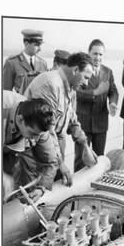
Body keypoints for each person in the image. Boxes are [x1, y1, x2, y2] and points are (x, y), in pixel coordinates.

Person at [23, 52, 97, 183]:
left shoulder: (71, 87)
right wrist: (60, 163)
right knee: (37, 195)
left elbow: (72, 120)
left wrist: (85, 145)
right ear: (75, 70)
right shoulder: (50, 84)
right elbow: (46, 130)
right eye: (85, 77)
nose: (86, 83)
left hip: (53, 152)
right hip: (36, 152)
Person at [2, 92, 58, 202]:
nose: (34, 141)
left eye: (38, 135)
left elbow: (51, 161)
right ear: (20, 120)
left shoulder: (39, 123)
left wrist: (41, 188)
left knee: (8, 187)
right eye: (32, 134)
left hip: (10, 148)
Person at [75, 39, 119, 170]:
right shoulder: (80, 70)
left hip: (101, 122)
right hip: (83, 122)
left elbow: (113, 91)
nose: (97, 57)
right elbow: (77, 93)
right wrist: (96, 92)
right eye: (95, 54)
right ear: (88, 54)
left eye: (100, 54)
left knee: (99, 158)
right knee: (80, 159)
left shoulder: (108, 72)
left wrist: (112, 103)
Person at [3, 29, 49, 94]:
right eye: (37, 45)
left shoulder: (43, 64)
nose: (40, 49)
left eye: (40, 45)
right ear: (26, 43)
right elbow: (6, 92)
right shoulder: (12, 63)